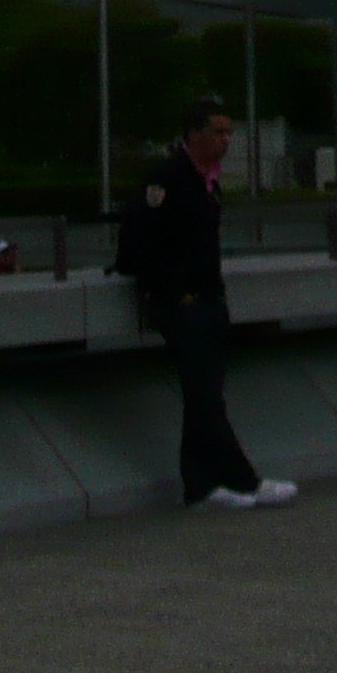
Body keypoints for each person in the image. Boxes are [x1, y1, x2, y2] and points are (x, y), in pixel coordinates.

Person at [127, 94, 297, 511]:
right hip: (181, 304)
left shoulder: (208, 181)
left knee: (204, 397)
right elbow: (139, 245)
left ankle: (200, 487)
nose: (226, 140)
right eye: (217, 132)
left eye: (228, 132)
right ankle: (245, 480)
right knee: (206, 398)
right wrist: (173, 291)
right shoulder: (166, 179)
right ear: (193, 135)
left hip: (208, 300)